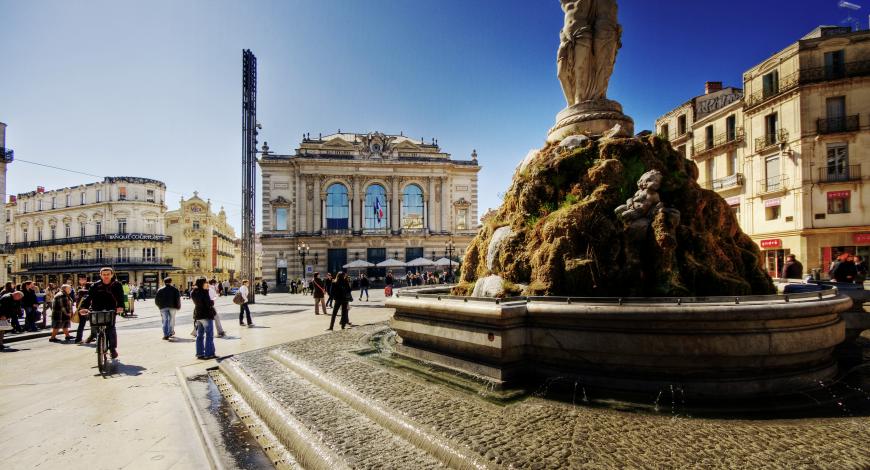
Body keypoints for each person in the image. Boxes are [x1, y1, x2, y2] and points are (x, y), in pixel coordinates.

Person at [78, 267, 126, 359]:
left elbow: (121, 297)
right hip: (97, 308)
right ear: (100, 275)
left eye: (108, 274)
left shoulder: (117, 285)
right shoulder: (95, 285)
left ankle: (112, 349)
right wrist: (83, 308)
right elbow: (88, 297)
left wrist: (121, 306)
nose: (106, 276)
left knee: (111, 328)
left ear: (112, 275)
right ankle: (94, 336)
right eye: (104, 274)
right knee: (95, 325)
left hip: (111, 309)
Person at [191, 278, 216, 360]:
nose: (207, 284)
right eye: (206, 282)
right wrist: (212, 302)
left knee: (200, 335)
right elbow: (208, 303)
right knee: (209, 335)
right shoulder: (204, 292)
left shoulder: (193, 292)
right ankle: (209, 353)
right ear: (202, 283)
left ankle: (199, 353)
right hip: (206, 315)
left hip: (198, 315)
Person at [73, 275, 92, 344]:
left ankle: (79, 339)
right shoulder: (87, 292)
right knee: (91, 324)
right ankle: (78, 339)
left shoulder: (80, 291)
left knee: (82, 324)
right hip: (85, 309)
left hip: (80, 309)